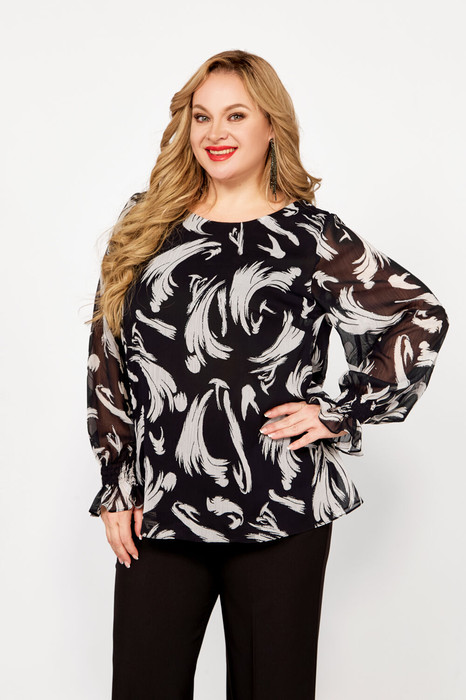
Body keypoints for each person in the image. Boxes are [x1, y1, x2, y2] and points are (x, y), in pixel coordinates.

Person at [86, 49, 449, 699]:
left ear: (271, 127)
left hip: (281, 505)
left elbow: (418, 315)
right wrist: (117, 479)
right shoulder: (146, 226)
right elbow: (106, 356)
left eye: (236, 115)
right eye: (202, 116)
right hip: (161, 507)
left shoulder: (310, 236)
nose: (215, 132)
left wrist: (339, 411)